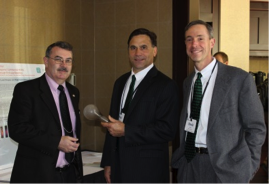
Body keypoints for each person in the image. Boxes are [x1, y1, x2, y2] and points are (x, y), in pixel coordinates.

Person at [171, 20, 266, 184]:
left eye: (200, 38)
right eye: (189, 39)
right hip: (190, 165)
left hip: (226, 169)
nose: (194, 44)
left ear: (212, 42)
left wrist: (248, 169)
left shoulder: (238, 79)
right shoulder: (188, 82)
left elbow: (256, 128)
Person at [100, 28, 180, 184]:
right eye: (133, 48)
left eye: (143, 47)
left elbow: (167, 130)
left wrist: (126, 130)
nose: (138, 53)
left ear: (154, 51)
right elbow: (112, 124)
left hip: (148, 171)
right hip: (118, 167)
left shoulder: (166, 85)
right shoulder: (120, 82)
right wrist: (108, 162)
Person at [8, 41, 83, 184]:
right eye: (58, 59)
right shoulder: (27, 90)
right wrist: (56, 142)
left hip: (69, 175)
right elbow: (17, 129)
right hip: (38, 176)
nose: (64, 65)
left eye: (68, 61)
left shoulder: (74, 92)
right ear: (46, 61)